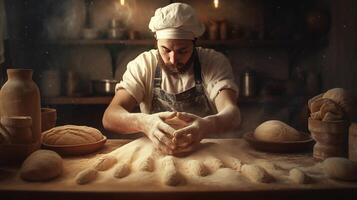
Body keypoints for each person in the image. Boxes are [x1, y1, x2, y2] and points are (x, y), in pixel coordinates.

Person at [103, 3, 241, 155]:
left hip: (205, 151)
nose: (173, 59)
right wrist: (144, 123)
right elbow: (110, 116)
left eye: (182, 51)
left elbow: (232, 114)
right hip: (157, 152)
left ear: (194, 43)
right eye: (166, 50)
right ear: (156, 42)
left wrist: (207, 125)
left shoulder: (213, 62)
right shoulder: (143, 65)